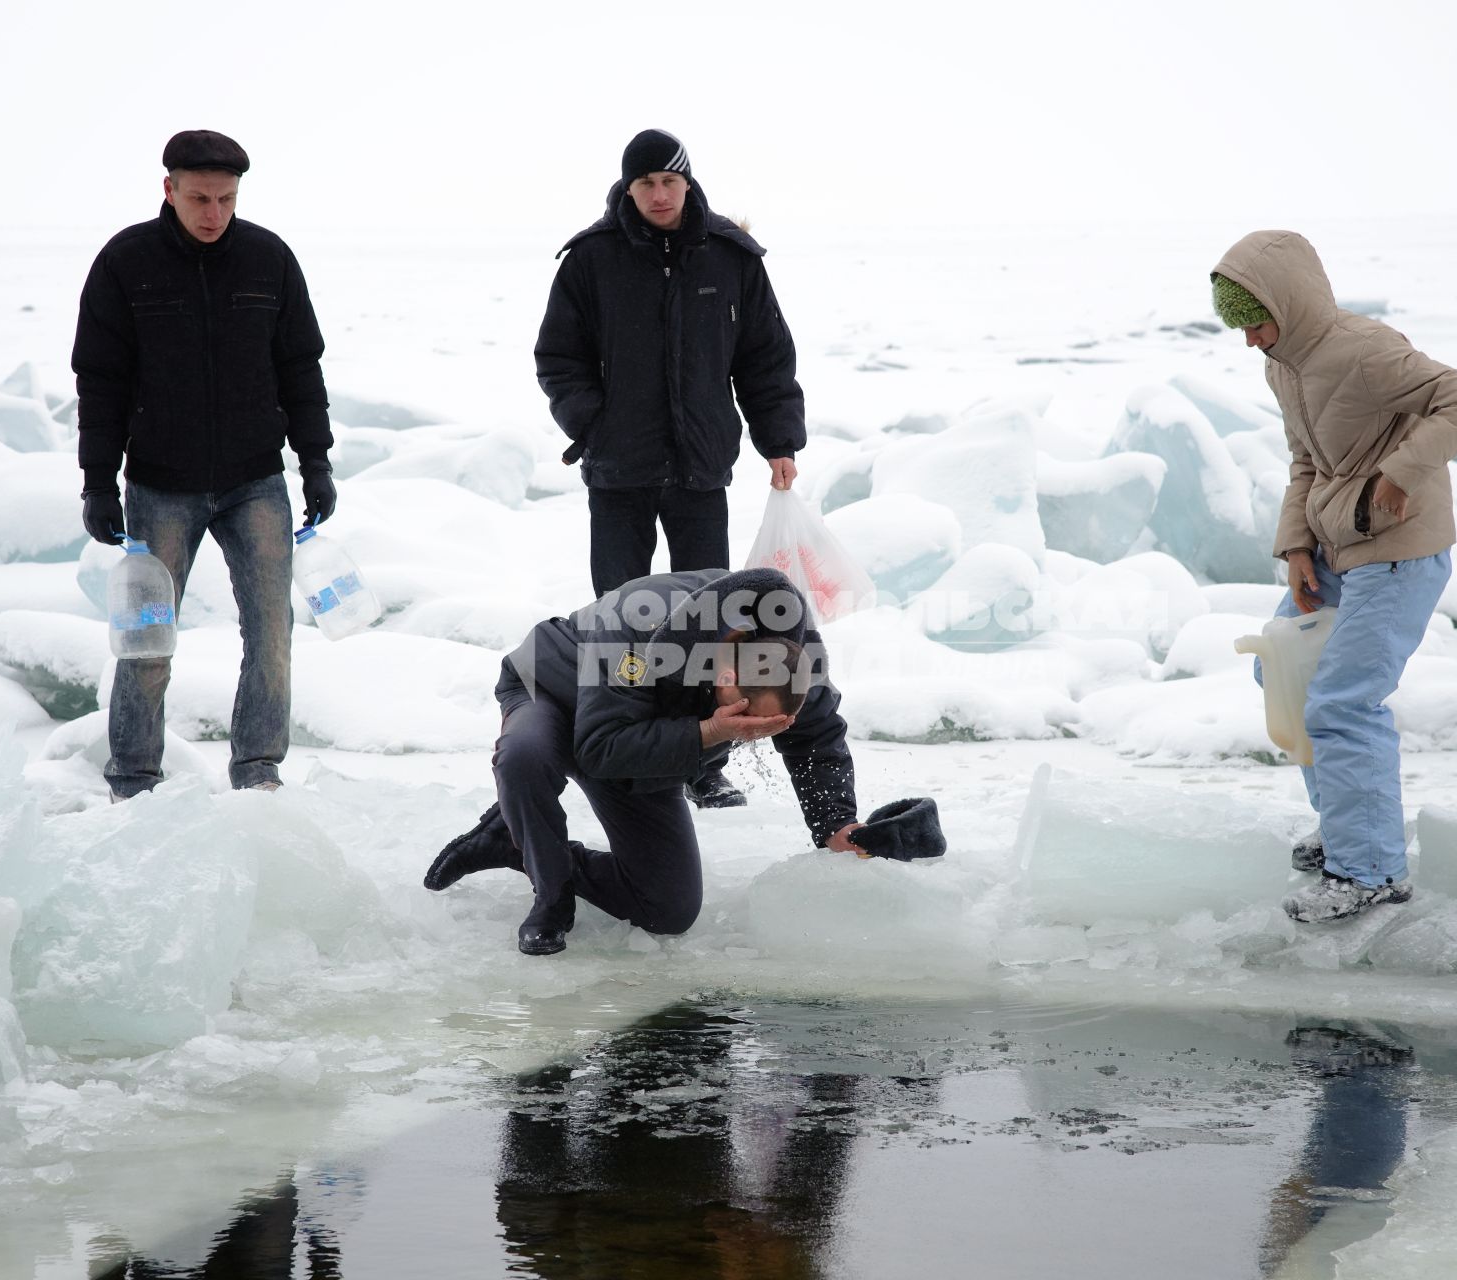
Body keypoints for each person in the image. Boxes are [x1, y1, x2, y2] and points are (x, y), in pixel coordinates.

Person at [1211, 230, 1457, 923]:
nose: (1248, 341)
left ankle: (1369, 873)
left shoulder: (1364, 351)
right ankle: (1346, 824)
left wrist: (1400, 471)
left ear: (1286, 302)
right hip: (1335, 547)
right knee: (1283, 673)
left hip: (1398, 550)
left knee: (1341, 701)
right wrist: (1296, 546)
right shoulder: (1282, 366)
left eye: (1254, 322)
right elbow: (1307, 460)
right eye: (1238, 329)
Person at [535, 128, 809, 811]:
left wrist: (779, 441)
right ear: (627, 189)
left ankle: (700, 761)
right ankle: (619, 745)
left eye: (669, 182)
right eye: (644, 184)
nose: (658, 194)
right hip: (618, 470)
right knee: (621, 616)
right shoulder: (590, 260)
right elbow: (557, 357)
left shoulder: (730, 257)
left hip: (699, 469)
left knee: (708, 621)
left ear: (688, 183)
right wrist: (592, 422)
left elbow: (765, 357)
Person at [72, 130, 337, 799]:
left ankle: (258, 771)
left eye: (226, 198)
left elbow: (299, 367)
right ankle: (133, 780)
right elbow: (99, 381)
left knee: (271, 632)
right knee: (148, 644)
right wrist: (98, 483)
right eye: (200, 197)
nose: (213, 212)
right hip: (161, 484)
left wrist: (316, 462)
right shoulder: (125, 262)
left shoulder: (267, 259)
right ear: (169, 188)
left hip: (256, 480)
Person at [422, 567, 865, 956]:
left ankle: (511, 840)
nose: (751, 731)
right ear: (725, 676)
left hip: (639, 720)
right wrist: (708, 732)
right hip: (556, 686)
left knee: (667, 909)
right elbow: (598, 749)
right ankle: (551, 896)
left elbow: (819, 734)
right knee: (525, 757)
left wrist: (835, 823)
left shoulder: (788, 653)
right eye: (747, 717)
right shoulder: (641, 630)